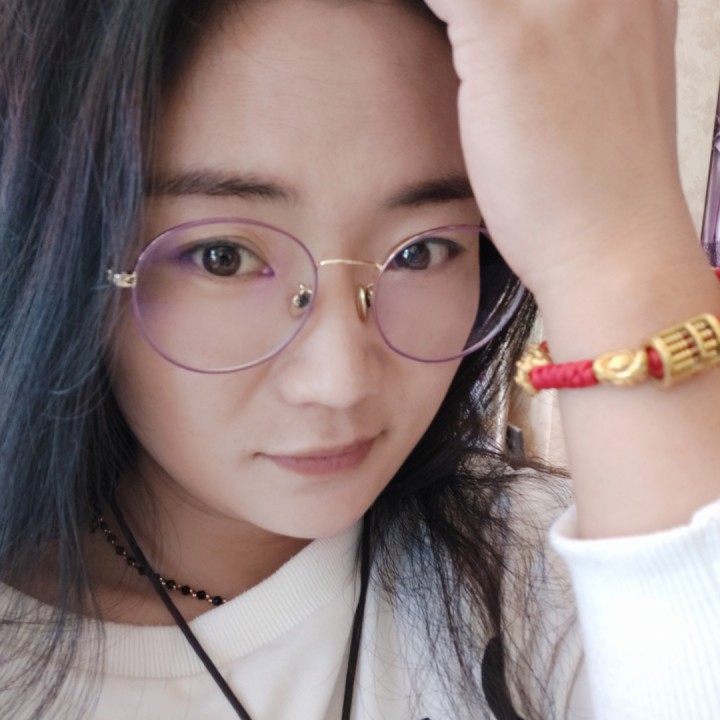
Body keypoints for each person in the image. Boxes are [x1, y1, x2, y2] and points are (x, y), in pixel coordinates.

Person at [1, 0, 719, 718]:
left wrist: (622, 249)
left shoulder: (570, 575)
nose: (341, 382)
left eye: (421, 252)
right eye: (223, 257)